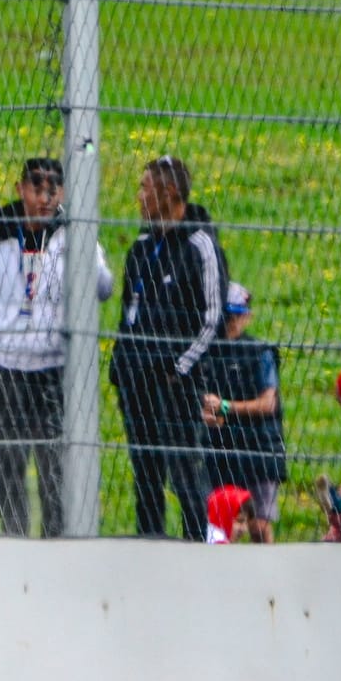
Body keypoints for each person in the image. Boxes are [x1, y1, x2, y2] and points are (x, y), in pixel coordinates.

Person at [0, 156, 113, 537]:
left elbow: (104, 287)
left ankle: (55, 545)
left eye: (53, 189)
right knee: (9, 467)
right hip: (7, 369)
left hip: (52, 369)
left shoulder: (73, 234)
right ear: (20, 189)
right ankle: (15, 543)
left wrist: (81, 242)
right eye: (37, 187)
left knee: (54, 470)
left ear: (63, 192)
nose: (45, 197)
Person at [110, 155, 225, 541]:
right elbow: (128, 311)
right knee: (145, 473)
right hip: (136, 379)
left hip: (176, 383)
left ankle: (195, 546)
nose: (138, 196)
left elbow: (212, 319)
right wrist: (120, 364)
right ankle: (150, 544)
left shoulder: (200, 245)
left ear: (169, 192)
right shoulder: (141, 247)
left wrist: (179, 368)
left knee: (184, 471)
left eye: (145, 187)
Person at [198, 282, 284, 543]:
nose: (231, 322)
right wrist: (203, 413)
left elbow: (268, 403)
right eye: (226, 315)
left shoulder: (260, 351)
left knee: (258, 524)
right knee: (221, 523)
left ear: (247, 316)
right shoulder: (205, 350)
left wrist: (225, 407)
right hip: (220, 448)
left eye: (237, 315)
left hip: (259, 447)